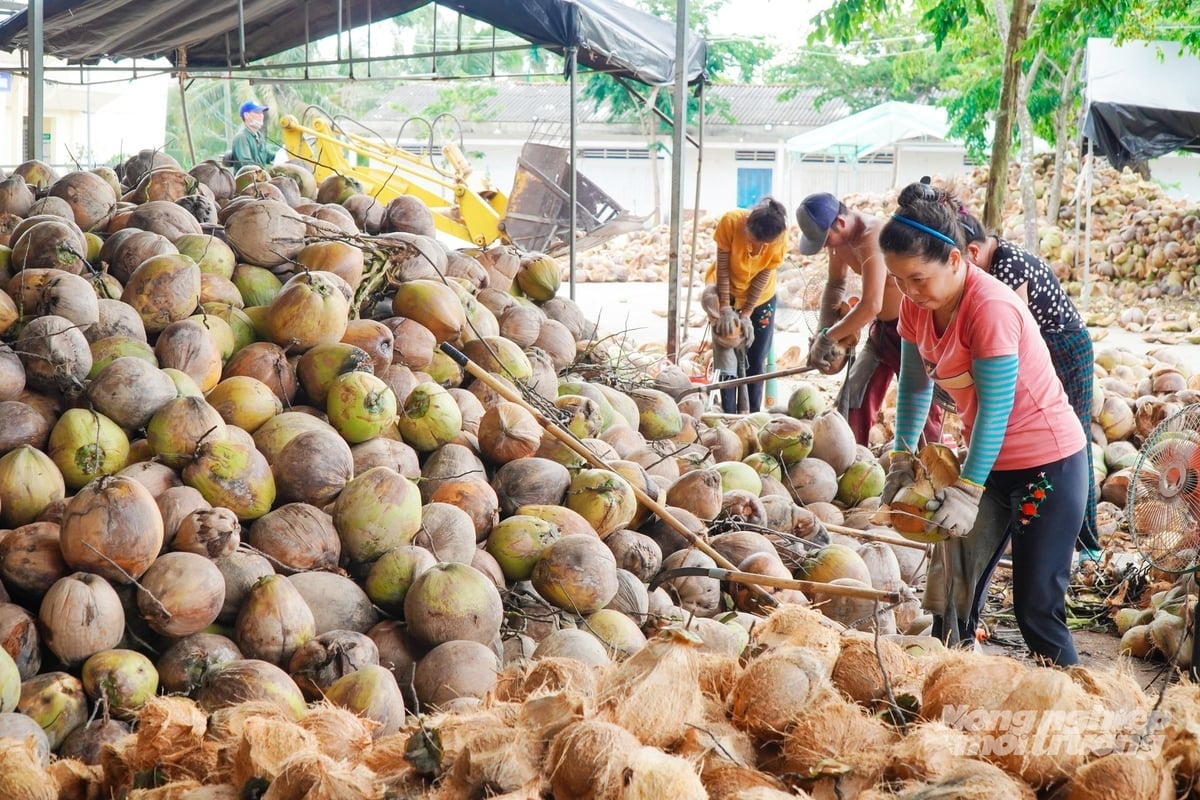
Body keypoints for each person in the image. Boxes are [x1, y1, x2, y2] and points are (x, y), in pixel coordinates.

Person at [878, 182, 1088, 666]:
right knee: (952, 592)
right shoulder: (916, 305)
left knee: (1036, 608)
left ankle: (1081, 706)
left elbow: (995, 409)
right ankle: (950, 688)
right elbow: (913, 386)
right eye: (897, 280)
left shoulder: (990, 307)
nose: (908, 292)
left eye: (917, 278)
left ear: (955, 259)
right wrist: (902, 457)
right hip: (987, 458)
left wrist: (968, 490)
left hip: (1047, 465)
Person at [926, 183, 1101, 558]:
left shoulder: (1005, 272)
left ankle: (1085, 540)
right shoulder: (984, 267)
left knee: (1075, 438)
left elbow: (1007, 343)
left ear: (968, 253)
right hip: (1036, 348)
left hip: (1063, 346)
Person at [796, 192, 942, 448]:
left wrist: (830, 337)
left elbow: (871, 304)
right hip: (882, 331)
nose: (828, 246)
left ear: (840, 222)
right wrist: (823, 332)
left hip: (910, 332)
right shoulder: (840, 242)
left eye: (826, 239)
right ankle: (850, 459)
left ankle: (930, 468)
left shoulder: (872, 237)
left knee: (920, 407)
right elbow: (835, 284)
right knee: (854, 397)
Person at [703, 197, 789, 414]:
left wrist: (747, 312)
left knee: (756, 358)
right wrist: (724, 308)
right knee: (727, 353)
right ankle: (729, 414)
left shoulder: (779, 236)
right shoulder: (730, 222)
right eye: (754, 240)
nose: (758, 247)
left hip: (760, 297)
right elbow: (722, 266)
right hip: (727, 290)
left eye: (764, 244)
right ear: (748, 221)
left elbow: (764, 275)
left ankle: (752, 415)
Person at [228, 100, 279, 171]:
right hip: (247, 180)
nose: (261, 116)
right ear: (246, 115)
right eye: (257, 113)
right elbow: (247, 164)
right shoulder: (242, 137)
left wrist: (283, 155)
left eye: (262, 113)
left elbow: (268, 156)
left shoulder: (260, 136)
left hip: (261, 179)